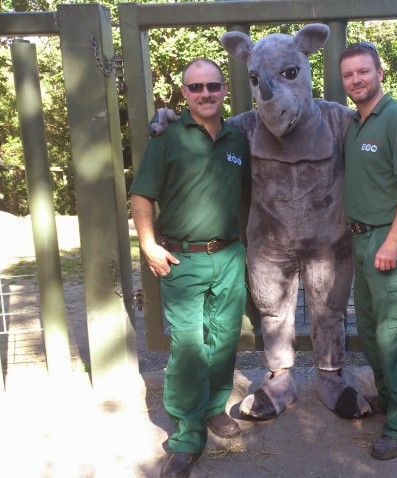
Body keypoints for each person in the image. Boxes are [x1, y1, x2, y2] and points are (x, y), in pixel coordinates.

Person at [130, 58, 250, 478]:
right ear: (184, 93)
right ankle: (186, 436)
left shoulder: (238, 138)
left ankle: (214, 409)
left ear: (222, 90)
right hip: (181, 258)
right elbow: (142, 195)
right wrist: (148, 244)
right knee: (186, 346)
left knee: (223, 340)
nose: (205, 94)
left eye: (212, 86)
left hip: (230, 255)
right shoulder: (167, 139)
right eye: (195, 87)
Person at [339, 42, 397, 460]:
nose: (356, 80)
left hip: (388, 240)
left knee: (393, 336)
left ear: (380, 72)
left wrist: (393, 239)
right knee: (374, 335)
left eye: (363, 72)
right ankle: (391, 400)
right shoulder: (356, 123)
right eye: (348, 75)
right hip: (361, 240)